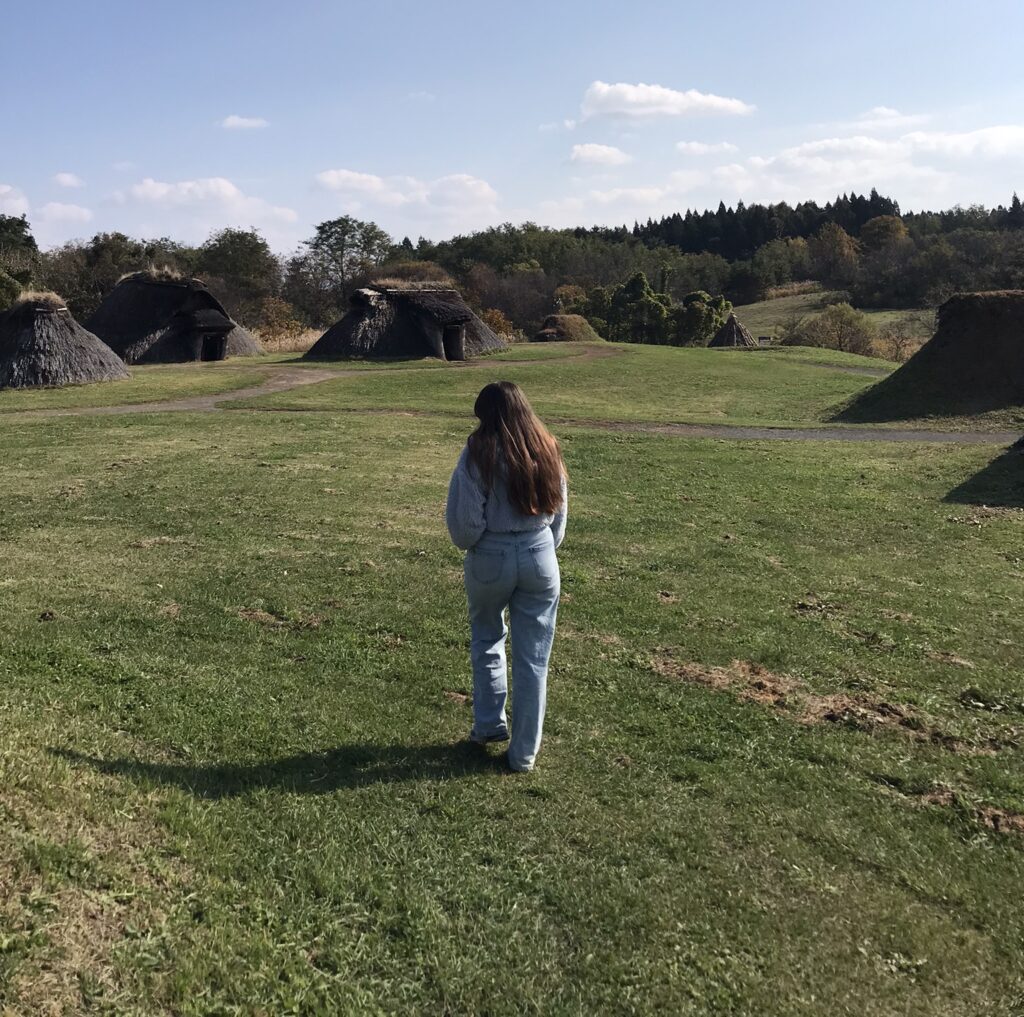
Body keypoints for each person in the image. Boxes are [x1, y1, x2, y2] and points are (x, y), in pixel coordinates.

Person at [445, 382, 567, 773]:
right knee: (534, 659)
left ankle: (488, 724)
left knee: (486, 638)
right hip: (540, 553)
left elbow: (464, 527)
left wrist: (488, 543)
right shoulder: (547, 447)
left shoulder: (478, 453)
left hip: (491, 556)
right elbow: (559, 514)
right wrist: (543, 545)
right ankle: (524, 754)